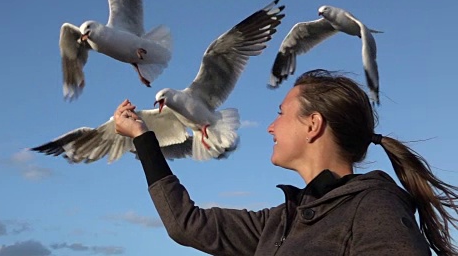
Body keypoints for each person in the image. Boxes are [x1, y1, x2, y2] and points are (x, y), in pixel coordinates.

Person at [113, 69, 458, 255]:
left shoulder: (373, 207)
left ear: (313, 125)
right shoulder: (280, 223)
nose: (270, 126)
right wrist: (144, 138)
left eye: (281, 114)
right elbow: (186, 225)